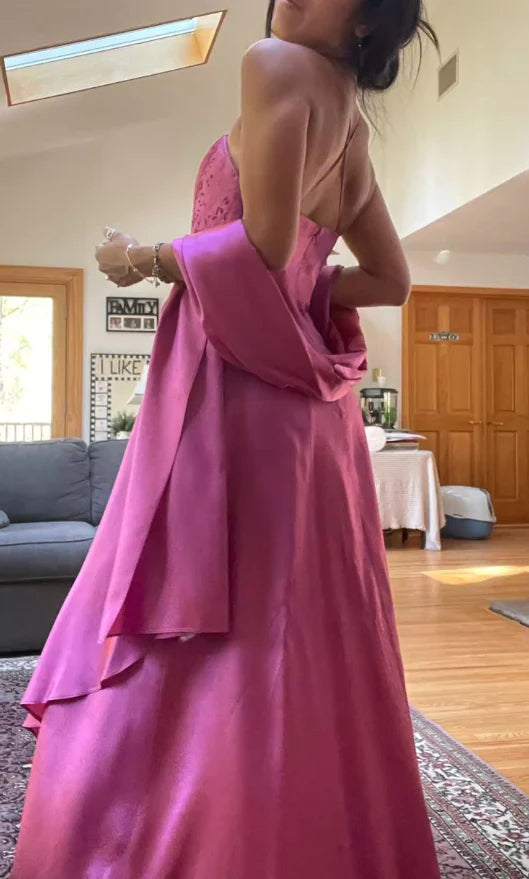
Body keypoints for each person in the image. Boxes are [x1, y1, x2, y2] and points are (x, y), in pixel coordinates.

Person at [13, 1, 441, 876]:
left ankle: (190, 837)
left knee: (202, 596)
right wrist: (303, 285)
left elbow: (262, 243)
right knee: (298, 617)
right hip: (313, 424)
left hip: (236, 390)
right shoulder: (352, 127)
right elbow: (387, 280)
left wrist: (140, 258)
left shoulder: (273, 62)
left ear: (367, 20)